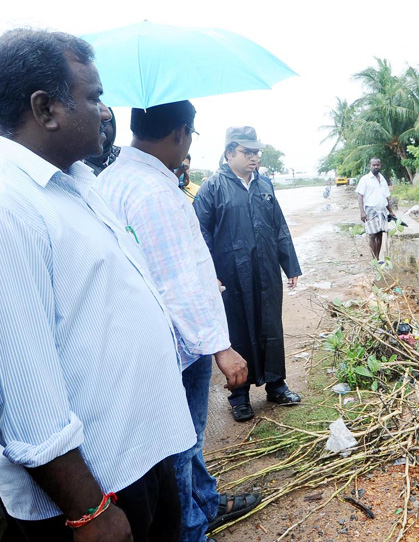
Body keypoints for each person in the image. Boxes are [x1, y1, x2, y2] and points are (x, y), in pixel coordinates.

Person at [0, 29, 196, 541]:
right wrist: (88, 510)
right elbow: (24, 387)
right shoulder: (9, 205)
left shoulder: (78, 180)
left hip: (139, 457)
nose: (106, 112)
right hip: (94, 491)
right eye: (94, 97)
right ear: (46, 110)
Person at [96, 102, 261, 542]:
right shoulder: (154, 191)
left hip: (144, 339)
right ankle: (192, 528)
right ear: (180, 134)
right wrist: (221, 346)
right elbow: (177, 282)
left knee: (182, 440)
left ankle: (206, 503)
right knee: (180, 442)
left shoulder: (110, 179)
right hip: (176, 345)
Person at [194, 126, 302, 422]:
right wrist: (210, 275)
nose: (254, 157)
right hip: (231, 275)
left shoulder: (265, 185)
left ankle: (276, 385)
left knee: (271, 326)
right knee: (237, 330)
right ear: (229, 153)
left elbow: (279, 226)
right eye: (247, 151)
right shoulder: (212, 188)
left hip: (266, 271)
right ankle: (239, 396)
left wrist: (289, 265)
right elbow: (199, 234)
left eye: (257, 152)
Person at [356, 157, 396, 262]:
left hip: (382, 210)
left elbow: (386, 196)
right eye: (373, 165)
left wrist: (390, 211)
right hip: (370, 210)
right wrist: (362, 212)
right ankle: (374, 259)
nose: (376, 167)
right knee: (372, 234)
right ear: (370, 166)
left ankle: (378, 258)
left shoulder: (382, 179)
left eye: (377, 165)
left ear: (380, 165)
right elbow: (360, 196)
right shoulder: (365, 179)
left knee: (380, 233)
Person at [83, 106, 120, 175]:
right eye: (94, 121)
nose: (100, 127)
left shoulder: (122, 157)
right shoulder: (75, 164)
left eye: (105, 122)